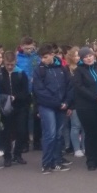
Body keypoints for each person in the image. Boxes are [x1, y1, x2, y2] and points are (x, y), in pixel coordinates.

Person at [32, 43, 73, 174]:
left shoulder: (62, 68)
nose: (43, 60)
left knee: (58, 135)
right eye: (41, 58)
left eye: (45, 57)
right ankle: (46, 163)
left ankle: (57, 161)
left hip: (61, 105)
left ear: (52, 55)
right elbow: (39, 91)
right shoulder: (39, 70)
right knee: (50, 134)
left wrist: (67, 102)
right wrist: (57, 103)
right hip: (47, 106)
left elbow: (69, 86)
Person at [72, 47, 97, 171]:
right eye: (85, 57)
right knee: (90, 133)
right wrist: (95, 98)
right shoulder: (79, 71)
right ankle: (91, 160)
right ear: (82, 59)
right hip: (86, 106)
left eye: (90, 56)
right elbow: (79, 87)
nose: (88, 58)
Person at [0, 51, 31, 166]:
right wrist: (5, 98)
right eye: (7, 64)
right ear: (4, 62)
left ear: (15, 62)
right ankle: (7, 156)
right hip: (5, 107)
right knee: (6, 132)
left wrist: (16, 97)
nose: (10, 67)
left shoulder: (21, 73)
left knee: (21, 131)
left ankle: (18, 154)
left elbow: (26, 91)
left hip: (20, 106)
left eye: (12, 64)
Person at [63, 47, 84, 158]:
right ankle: (76, 148)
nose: (77, 58)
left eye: (78, 55)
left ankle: (84, 146)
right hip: (73, 102)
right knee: (75, 126)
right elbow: (66, 88)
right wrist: (69, 105)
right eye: (75, 55)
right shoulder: (66, 69)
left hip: (84, 101)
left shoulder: (83, 67)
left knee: (85, 127)